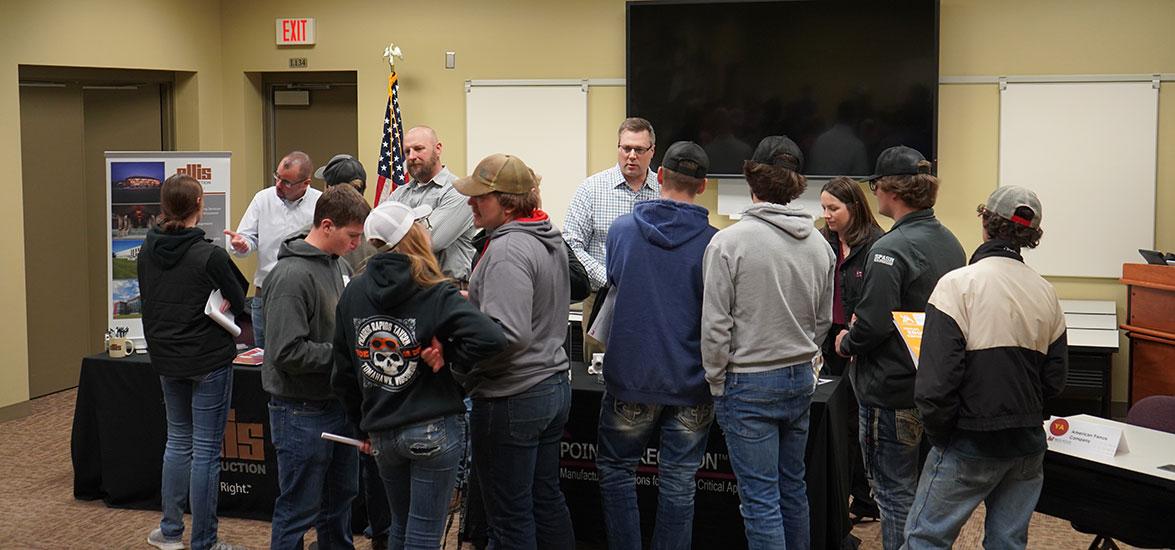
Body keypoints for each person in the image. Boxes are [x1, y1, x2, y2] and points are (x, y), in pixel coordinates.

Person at [332, 200, 508, 549]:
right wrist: (451, 355)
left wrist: (361, 425)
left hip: (382, 429)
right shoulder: (433, 289)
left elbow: (344, 371)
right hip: (432, 426)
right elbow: (492, 339)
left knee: (400, 525)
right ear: (413, 235)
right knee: (424, 532)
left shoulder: (353, 291)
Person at [903, 186, 1067, 549]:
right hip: (1027, 444)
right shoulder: (1046, 292)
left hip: (968, 441)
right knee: (1007, 542)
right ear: (1031, 236)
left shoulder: (957, 285)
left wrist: (943, 435)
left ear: (985, 222)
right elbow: (1054, 380)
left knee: (924, 539)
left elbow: (935, 385)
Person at [701, 136, 835, 550]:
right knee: (791, 490)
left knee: (760, 502)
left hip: (747, 383)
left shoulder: (728, 242)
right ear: (798, 186)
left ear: (752, 182)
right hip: (798, 380)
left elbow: (715, 326)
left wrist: (716, 380)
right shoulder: (820, 244)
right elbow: (822, 322)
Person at [832, 146, 966, 550]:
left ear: (889, 190)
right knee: (924, 498)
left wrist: (845, 342)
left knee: (892, 497)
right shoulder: (951, 243)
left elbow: (871, 325)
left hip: (889, 394)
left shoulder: (890, 248)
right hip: (934, 390)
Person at [595, 141, 718, 550]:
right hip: (692, 381)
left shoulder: (622, 231)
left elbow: (614, 279)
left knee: (616, 471)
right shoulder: (715, 244)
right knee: (680, 481)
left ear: (658, 176)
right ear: (703, 186)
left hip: (631, 376)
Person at [454, 153, 575, 549]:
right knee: (545, 499)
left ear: (507, 202)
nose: (471, 203)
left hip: (513, 395)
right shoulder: (545, 234)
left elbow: (506, 335)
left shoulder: (507, 250)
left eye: (480, 197)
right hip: (551, 384)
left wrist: (457, 357)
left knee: (509, 516)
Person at [138, 173, 248, 550]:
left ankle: (170, 532)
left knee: (177, 443)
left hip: (167, 357)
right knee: (205, 451)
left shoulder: (146, 250)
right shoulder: (210, 254)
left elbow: (148, 299)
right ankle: (204, 541)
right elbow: (239, 295)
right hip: (208, 361)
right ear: (200, 205)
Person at [263, 184, 370, 550]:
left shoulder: (338, 265)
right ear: (327, 225)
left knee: (340, 501)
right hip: (300, 411)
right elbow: (287, 352)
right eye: (352, 235)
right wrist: (349, 355)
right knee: (298, 509)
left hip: (336, 404)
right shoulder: (291, 276)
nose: (358, 244)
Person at [315, 152, 388, 548]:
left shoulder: (348, 233)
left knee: (361, 453)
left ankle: (368, 525)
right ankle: (375, 527)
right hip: (373, 353)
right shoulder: (378, 225)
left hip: (355, 353)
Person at [564, 117, 660, 362]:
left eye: (639, 150)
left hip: (652, 300)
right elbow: (571, 245)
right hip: (601, 299)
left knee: (645, 366)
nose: (631, 155)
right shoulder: (591, 189)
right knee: (597, 375)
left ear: (652, 152)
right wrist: (609, 278)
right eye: (625, 148)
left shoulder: (663, 192)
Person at [818, 176, 884, 522]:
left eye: (834, 208)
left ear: (854, 208)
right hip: (829, 340)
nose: (827, 215)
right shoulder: (821, 240)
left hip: (862, 344)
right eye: (824, 207)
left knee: (859, 423)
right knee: (835, 421)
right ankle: (839, 494)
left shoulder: (877, 244)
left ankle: (864, 496)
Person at [225, 151, 322, 349]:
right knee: (264, 358)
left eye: (286, 182)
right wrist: (242, 244)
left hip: (305, 296)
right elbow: (247, 239)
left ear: (306, 183)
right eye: (277, 177)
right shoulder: (263, 199)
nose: (278, 185)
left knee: (299, 355)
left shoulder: (320, 204)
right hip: (265, 295)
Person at [386, 126, 477, 284]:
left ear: (438, 149)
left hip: (447, 288)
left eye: (419, 149)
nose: (412, 156)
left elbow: (430, 242)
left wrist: (395, 234)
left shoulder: (458, 191)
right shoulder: (399, 194)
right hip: (405, 287)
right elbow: (379, 238)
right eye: (407, 152)